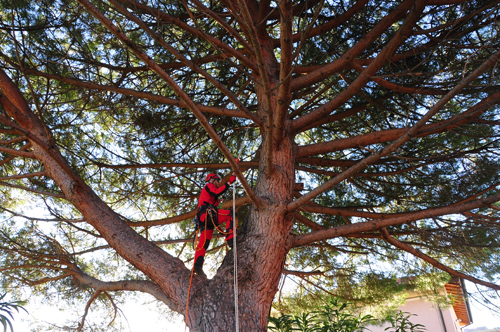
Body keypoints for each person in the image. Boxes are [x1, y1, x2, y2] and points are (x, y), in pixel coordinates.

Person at [193, 172, 237, 277]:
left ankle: (197, 266)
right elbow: (216, 192)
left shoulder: (214, 199)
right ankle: (231, 239)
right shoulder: (209, 186)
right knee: (231, 215)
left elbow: (216, 207)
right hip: (207, 214)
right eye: (217, 181)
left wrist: (218, 226)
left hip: (205, 219)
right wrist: (229, 182)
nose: (219, 183)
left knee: (204, 244)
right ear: (212, 180)